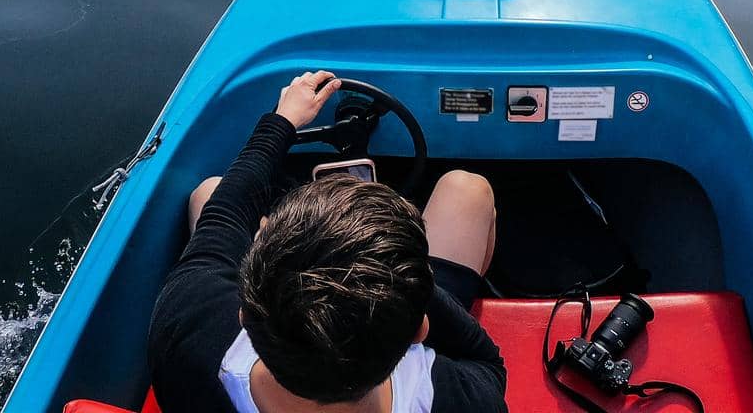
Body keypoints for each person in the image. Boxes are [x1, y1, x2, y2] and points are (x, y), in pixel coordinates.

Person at [147, 70, 507, 413]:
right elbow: (487, 361)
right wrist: (396, 275)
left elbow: (223, 212)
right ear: (420, 330)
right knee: (467, 191)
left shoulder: (185, 335)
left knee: (208, 193)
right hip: (395, 313)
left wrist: (282, 120)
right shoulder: (455, 398)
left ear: (244, 313)